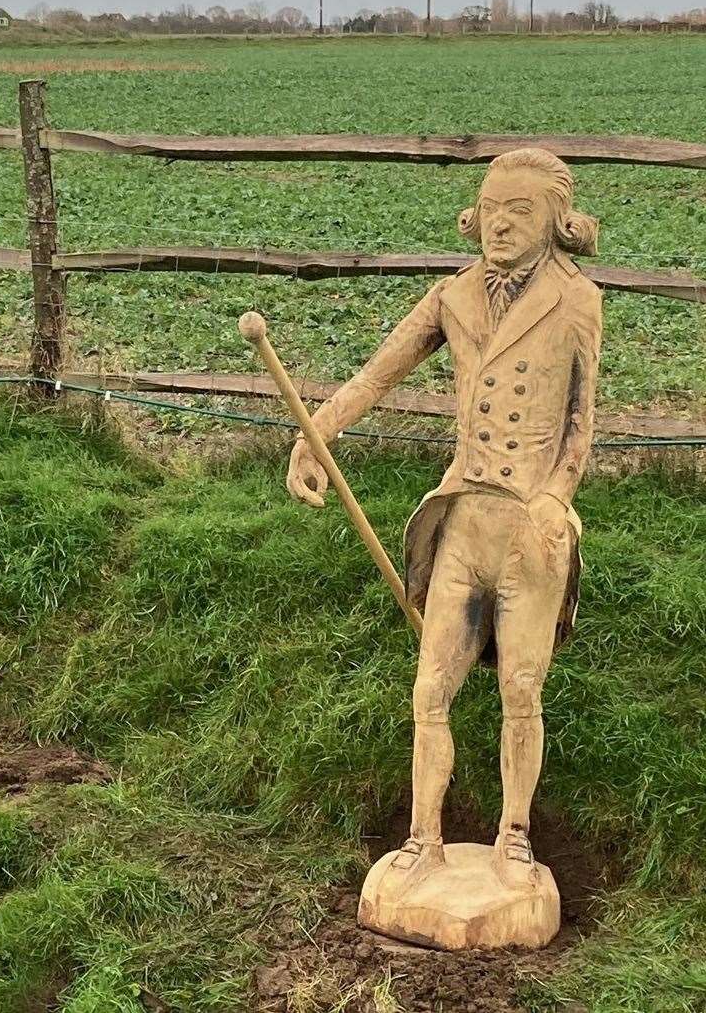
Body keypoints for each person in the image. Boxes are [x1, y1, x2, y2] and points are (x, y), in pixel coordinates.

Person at [284, 148, 601, 889]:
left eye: (519, 211)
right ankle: (423, 838)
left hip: (530, 530)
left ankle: (514, 836)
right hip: (462, 520)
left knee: (521, 690)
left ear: (555, 221)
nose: (501, 223)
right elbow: (377, 372)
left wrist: (557, 497)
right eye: (492, 208)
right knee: (430, 691)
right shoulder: (452, 296)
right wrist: (315, 433)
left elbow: (583, 422)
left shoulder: (576, 299)